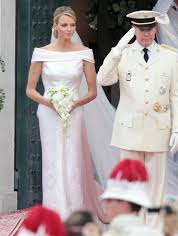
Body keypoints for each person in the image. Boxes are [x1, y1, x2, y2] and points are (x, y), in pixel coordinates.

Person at [97, 10, 178, 228]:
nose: (145, 34)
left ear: (155, 29)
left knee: (156, 186)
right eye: (140, 29)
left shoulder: (169, 55)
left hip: (158, 128)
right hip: (129, 130)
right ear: (134, 29)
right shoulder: (124, 53)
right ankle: (131, 228)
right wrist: (117, 49)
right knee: (130, 185)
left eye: (149, 29)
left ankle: (154, 229)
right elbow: (102, 79)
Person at [26, 6, 107, 222]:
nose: (69, 29)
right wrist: (49, 102)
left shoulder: (84, 54)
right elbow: (30, 89)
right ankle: (54, 213)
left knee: (72, 160)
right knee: (53, 161)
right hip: (48, 113)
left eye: (72, 25)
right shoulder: (41, 53)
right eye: (64, 25)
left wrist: (74, 103)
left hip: (74, 111)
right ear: (55, 26)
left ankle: (74, 213)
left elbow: (92, 91)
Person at [153, 0, 178, 165]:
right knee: (168, 123)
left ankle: (175, 171)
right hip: (171, 69)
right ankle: (167, 174)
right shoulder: (164, 7)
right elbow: (157, 13)